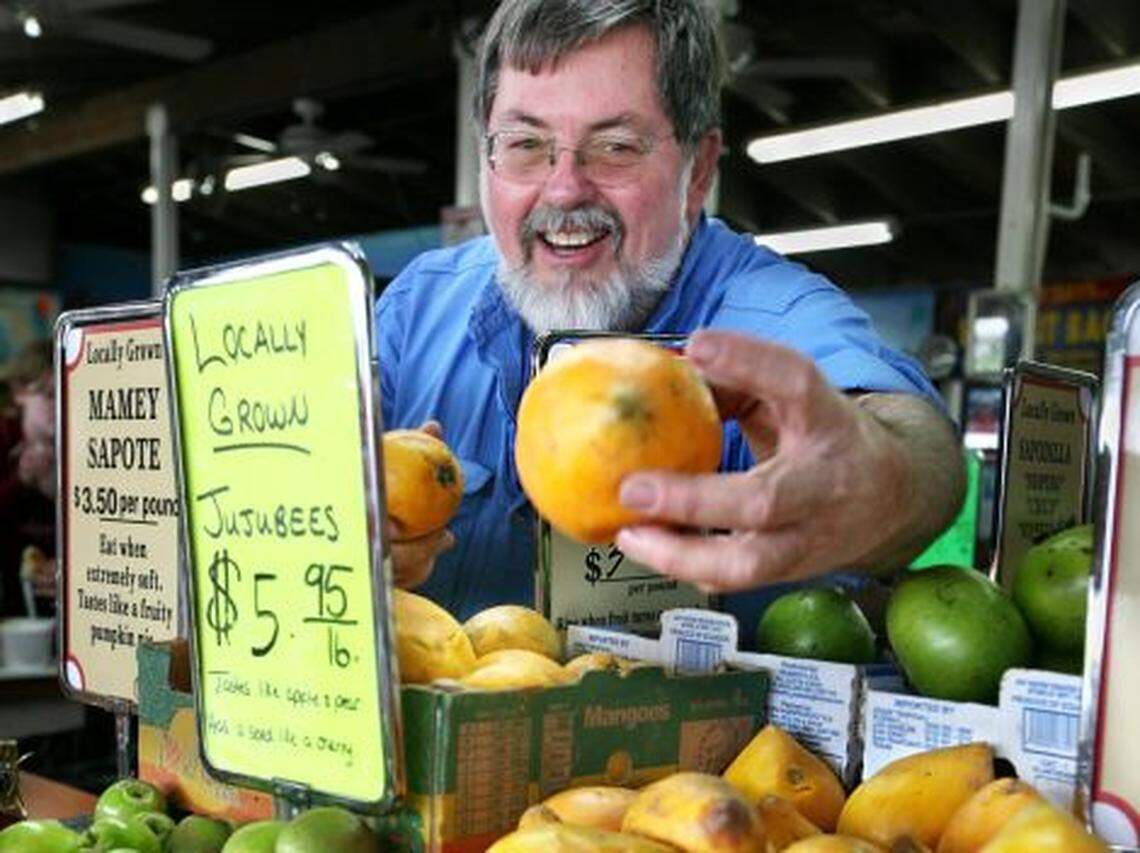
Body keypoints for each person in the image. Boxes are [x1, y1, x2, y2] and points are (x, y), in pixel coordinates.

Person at [377, 0, 965, 634]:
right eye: (526, 144)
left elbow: (919, 451)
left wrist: (878, 483)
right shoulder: (419, 308)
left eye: (616, 147)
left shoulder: (771, 315)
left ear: (698, 170)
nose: (564, 189)